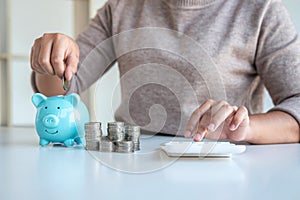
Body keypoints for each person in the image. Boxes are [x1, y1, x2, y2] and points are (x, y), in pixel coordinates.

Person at [30, 0, 300, 144]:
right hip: (131, 163)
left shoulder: (262, 9)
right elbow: (62, 88)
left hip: (222, 164)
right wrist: (50, 61)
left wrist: (248, 128)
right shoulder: (122, 7)